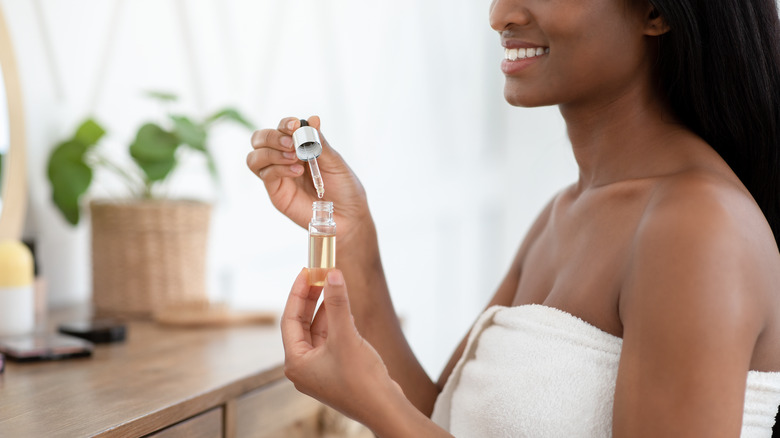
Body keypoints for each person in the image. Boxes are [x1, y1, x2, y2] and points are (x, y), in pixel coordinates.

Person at [246, 0, 780, 436]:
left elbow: (405, 419)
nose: (500, 13)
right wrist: (354, 238)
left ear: (656, 12)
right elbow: (441, 418)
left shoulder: (697, 226)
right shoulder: (564, 213)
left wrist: (375, 402)